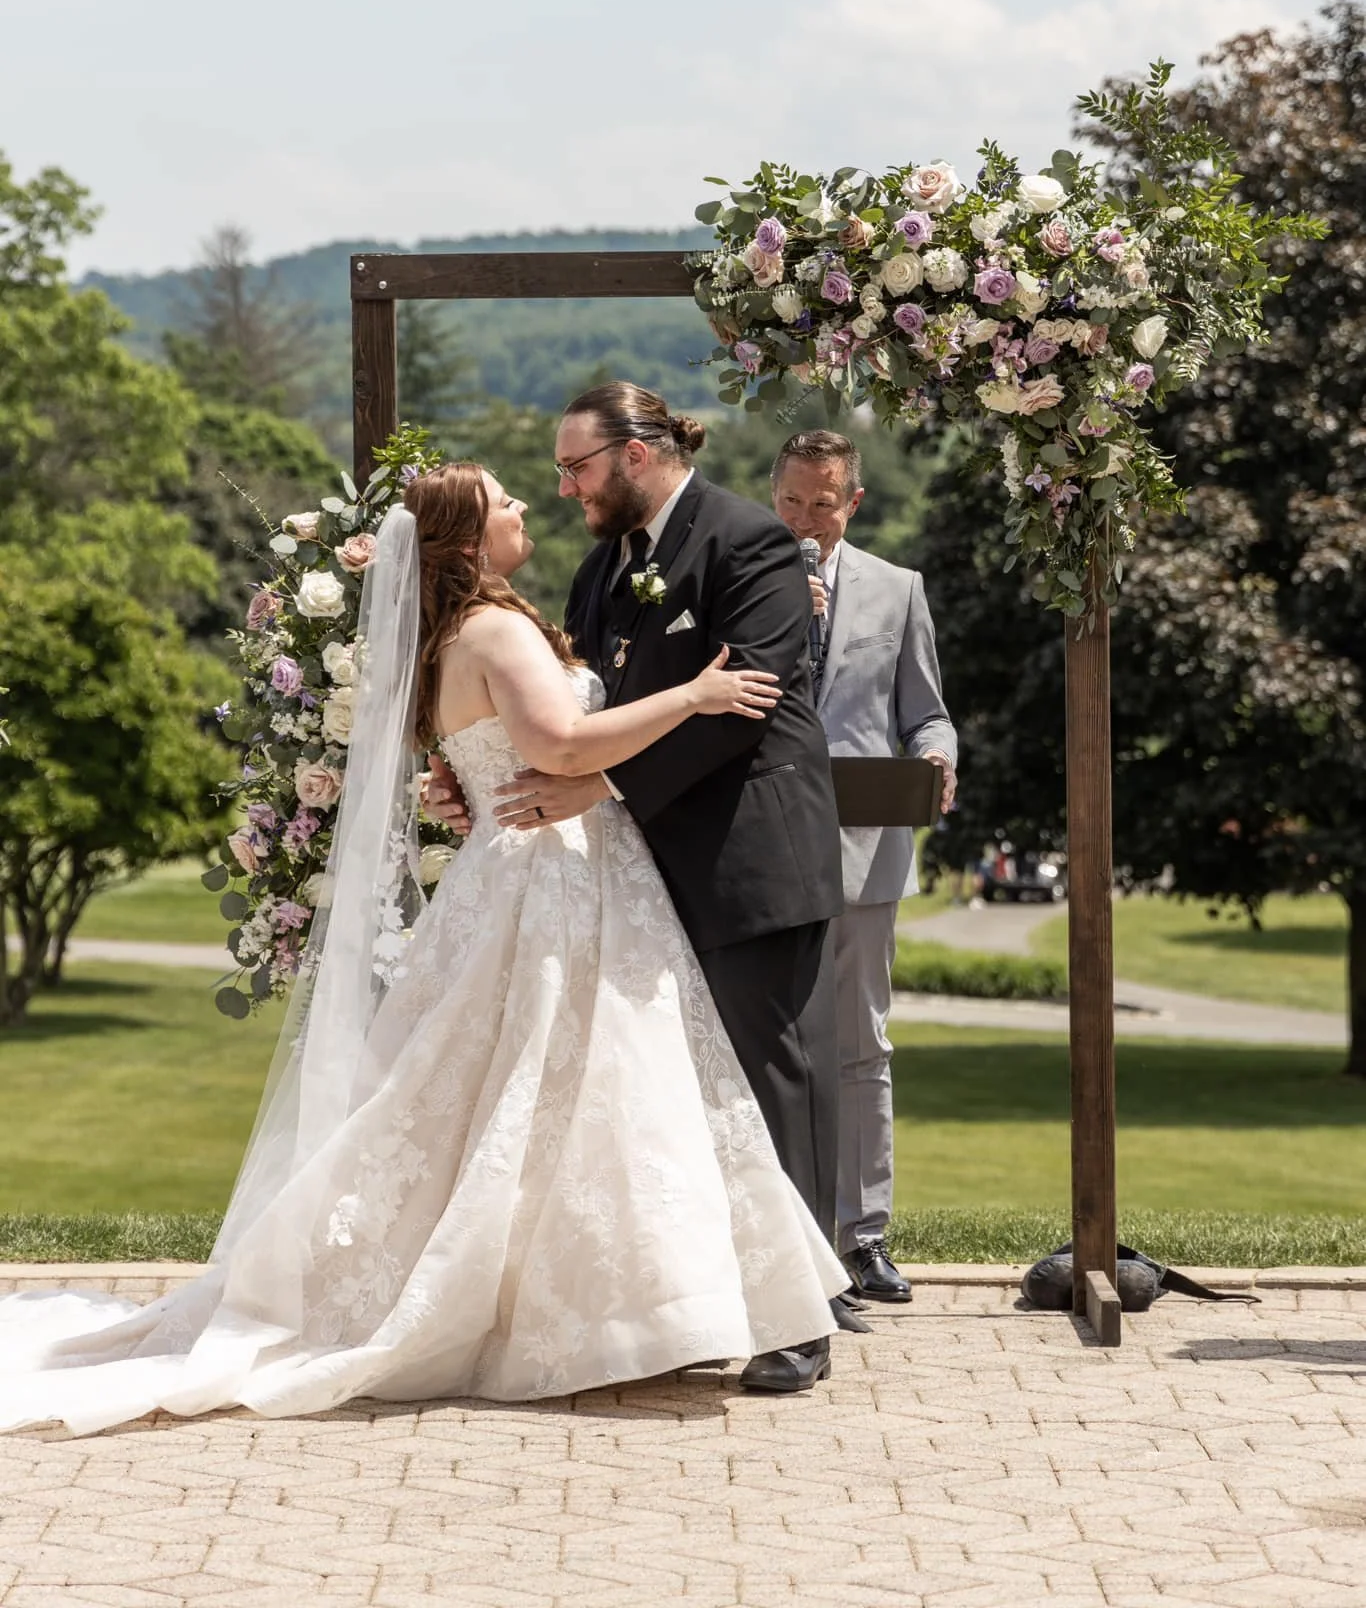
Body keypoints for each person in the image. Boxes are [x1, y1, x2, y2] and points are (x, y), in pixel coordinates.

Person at [0, 466, 849, 1436]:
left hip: (522, 868)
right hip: (550, 881)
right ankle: (585, 1308)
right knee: (562, 1086)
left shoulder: (455, 636)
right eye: (504, 502)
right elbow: (564, 744)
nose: (527, 504)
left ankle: (624, 1306)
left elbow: (492, 759)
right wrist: (695, 694)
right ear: (467, 540)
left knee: (550, 1096)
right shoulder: (493, 629)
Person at [426, 383, 858, 1393]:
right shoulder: (597, 570)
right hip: (637, 873)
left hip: (750, 854)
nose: (563, 485)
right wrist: (475, 773)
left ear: (634, 454)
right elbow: (566, 703)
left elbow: (745, 698)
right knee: (684, 1091)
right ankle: (703, 1298)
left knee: (766, 1071)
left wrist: (593, 782)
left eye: (575, 465)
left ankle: (803, 1315)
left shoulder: (750, 541)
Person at [771, 430, 957, 1305]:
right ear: (774, 498)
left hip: (865, 846)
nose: (809, 519)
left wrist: (937, 758)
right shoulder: (737, 575)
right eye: (793, 502)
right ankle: (782, 1239)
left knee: (861, 1047)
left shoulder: (900, 589)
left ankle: (864, 1237)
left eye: (824, 502)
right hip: (761, 844)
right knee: (763, 1047)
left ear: (854, 502)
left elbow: (927, 714)